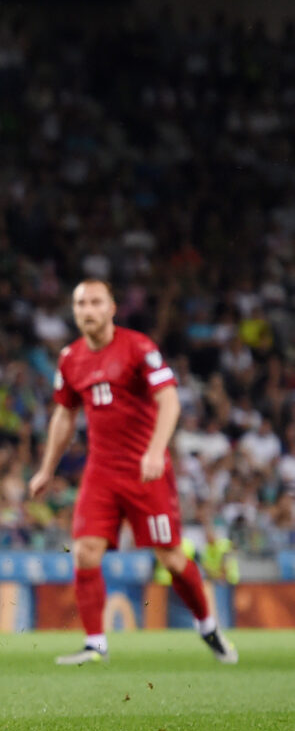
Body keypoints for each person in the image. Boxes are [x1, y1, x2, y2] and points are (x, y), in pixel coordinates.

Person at [29, 279, 237, 665]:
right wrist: (46, 469)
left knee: (172, 558)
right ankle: (96, 644)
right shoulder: (70, 358)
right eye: (80, 304)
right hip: (102, 472)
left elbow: (169, 400)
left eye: (95, 302)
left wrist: (156, 451)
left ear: (111, 308)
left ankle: (207, 624)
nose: (86, 310)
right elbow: (63, 414)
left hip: (146, 471)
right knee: (86, 552)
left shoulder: (138, 347)